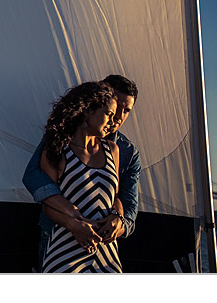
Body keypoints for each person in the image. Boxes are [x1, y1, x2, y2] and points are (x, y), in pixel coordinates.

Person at [22, 75, 141, 270]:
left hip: (105, 251)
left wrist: (118, 222)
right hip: (61, 240)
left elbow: (124, 202)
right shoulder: (59, 140)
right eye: (114, 106)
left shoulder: (124, 152)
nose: (118, 115)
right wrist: (74, 220)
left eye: (126, 110)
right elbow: (33, 177)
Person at [36, 81, 122, 272]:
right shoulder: (57, 150)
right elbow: (48, 204)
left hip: (107, 257)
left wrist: (118, 218)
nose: (113, 121)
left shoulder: (113, 150)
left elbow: (114, 197)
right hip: (66, 253)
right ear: (88, 110)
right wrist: (74, 226)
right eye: (108, 114)